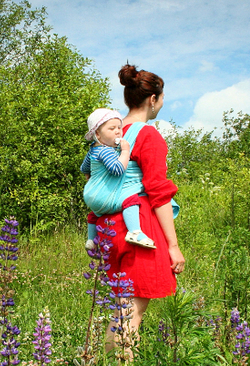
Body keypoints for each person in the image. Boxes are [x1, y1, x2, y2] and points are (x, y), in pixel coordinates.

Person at [103, 63, 186, 351]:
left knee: (121, 307)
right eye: (161, 99)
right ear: (152, 99)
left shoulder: (109, 133)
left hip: (108, 225)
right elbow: (158, 192)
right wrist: (173, 245)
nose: (161, 103)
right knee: (132, 310)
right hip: (138, 227)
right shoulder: (148, 135)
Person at [81, 108, 156, 250]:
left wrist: (88, 176)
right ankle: (134, 232)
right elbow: (117, 170)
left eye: (119, 128)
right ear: (98, 134)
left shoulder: (93, 150)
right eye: (111, 128)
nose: (117, 132)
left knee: (95, 212)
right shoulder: (106, 151)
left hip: (91, 194)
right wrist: (125, 151)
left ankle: (91, 240)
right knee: (130, 199)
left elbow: (84, 167)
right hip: (103, 195)